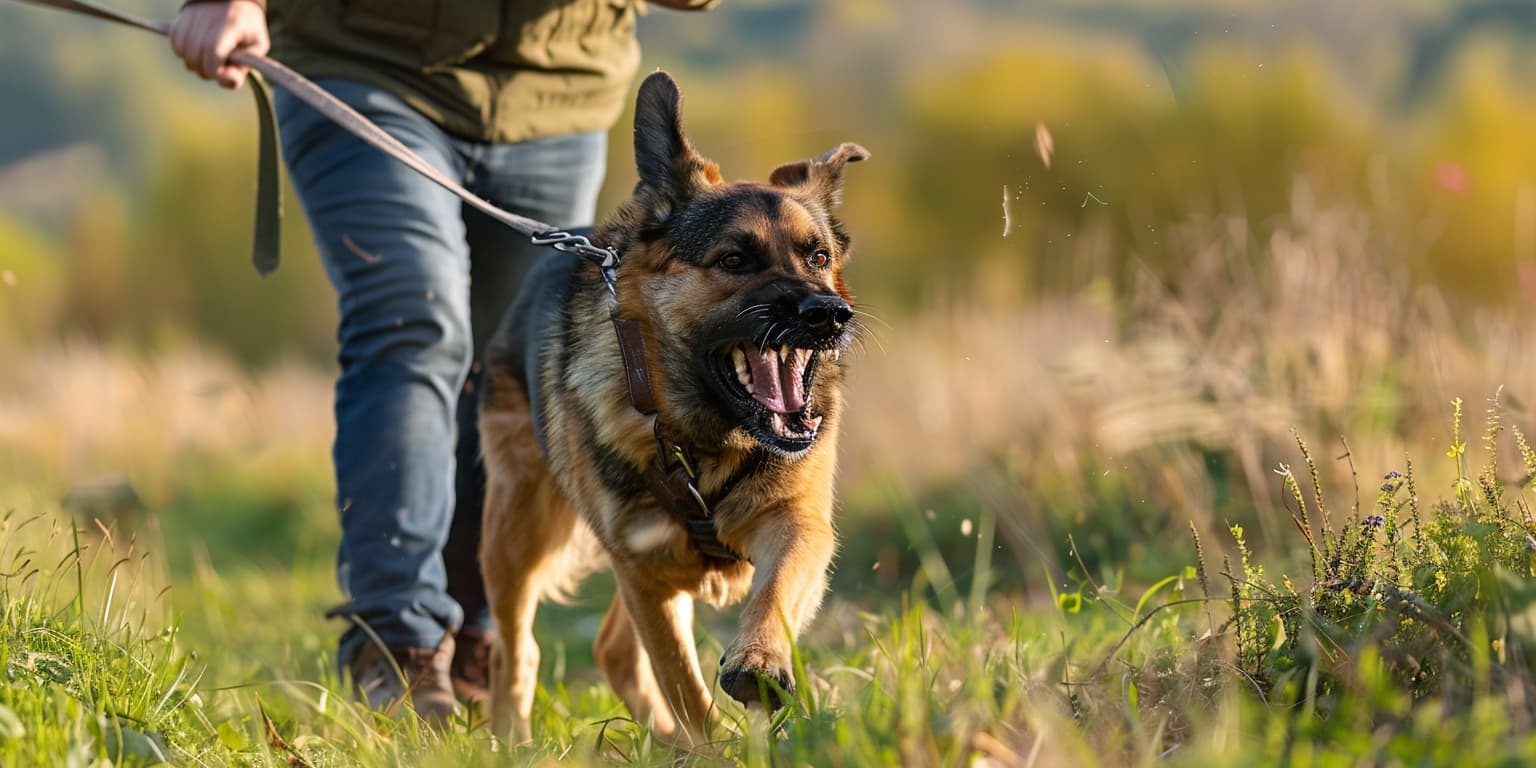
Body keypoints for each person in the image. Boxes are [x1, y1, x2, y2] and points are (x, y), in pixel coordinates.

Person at [168, 0, 718, 720]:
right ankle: (397, 643)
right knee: (412, 317)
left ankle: (473, 635)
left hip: (557, 90)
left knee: (507, 367)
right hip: (367, 61)